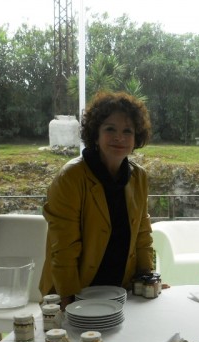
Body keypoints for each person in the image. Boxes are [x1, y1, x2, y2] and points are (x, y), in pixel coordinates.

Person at [39, 91, 154, 310]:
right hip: (76, 292)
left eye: (127, 131)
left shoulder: (139, 177)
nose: (119, 137)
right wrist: (68, 299)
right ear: (95, 134)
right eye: (110, 129)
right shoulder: (70, 177)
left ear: (136, 138)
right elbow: (63, 246)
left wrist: (147, 278)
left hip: (122, 292)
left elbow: (142, 234)